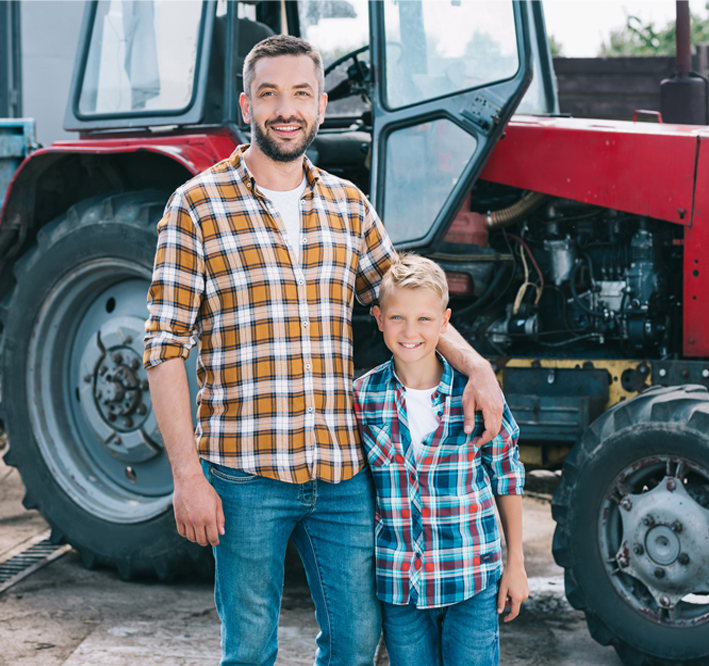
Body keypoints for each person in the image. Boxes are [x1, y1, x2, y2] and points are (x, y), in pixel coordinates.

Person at [143, 35, 505, 666]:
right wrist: (185, 477)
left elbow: (407, 301)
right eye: (270, 94)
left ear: (321, 103)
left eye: (301, 94)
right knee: (250, 649)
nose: (287, 108)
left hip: (340, 472)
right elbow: (164, 346)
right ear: (247, 105)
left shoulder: (346, 205)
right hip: (244, 473)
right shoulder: (196, 206)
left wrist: (476, 366)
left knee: (357, 642)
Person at [353, 254, 528, 666]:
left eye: (424, 320)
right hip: (401, 589)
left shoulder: (476, 393)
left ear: (445, 321)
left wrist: (515, 563)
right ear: (378, 318)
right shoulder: (362, 398)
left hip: (470, 576)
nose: (410, 332)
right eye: (397, 318)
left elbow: (507, 473)